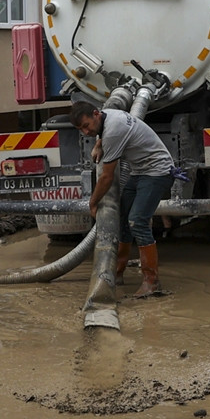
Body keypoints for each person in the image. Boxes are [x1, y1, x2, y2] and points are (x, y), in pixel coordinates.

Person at [71, 99, 177, 298]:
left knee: (137, 221)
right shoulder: (109, 116)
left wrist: (92, 202)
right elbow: (110, 132)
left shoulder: (113, 129)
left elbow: (107, 177)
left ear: (96, 114)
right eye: (81, 130)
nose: (86, 132)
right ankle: (117, 273)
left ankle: (151, 282)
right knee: (123, 219)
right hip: (140, 172)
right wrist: (100, 143)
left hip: (157, 172)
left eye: (87, 126)